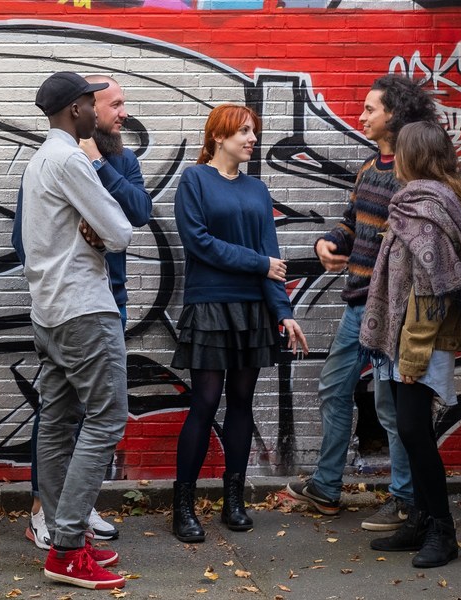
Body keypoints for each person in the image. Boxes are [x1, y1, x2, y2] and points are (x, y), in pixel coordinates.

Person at [286, 75, 438, 532]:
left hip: (392, 308)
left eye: (370, 109)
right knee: (334, 388)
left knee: (392, 407)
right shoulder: (371, 168)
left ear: (393, 114)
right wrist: (328, 242)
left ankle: (405, 500)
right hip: (358, 303)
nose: (361, 116)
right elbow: (353, 221)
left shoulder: (412, 174)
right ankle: (327, 488)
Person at [12, 74, 152, 550]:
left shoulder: (39, 160)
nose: (97, 112)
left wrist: (90, 224)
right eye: (92, 104)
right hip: (85, 311)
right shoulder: (72, 157)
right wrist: (98, 225)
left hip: (50, 313)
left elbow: (36, 241)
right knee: (108, 419)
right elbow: (121, 232)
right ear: (75, 109)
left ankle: (61, 534)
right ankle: (70, 539)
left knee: (56, 421)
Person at [170, 104, 307, 544]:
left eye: (253, 131)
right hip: (210, 306)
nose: (251, 138)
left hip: (252, 309)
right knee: (205, 402)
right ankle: (184, 505)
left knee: (242, 403)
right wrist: (259, 264)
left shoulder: (257, 189)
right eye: (243, 131)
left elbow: (274, 260)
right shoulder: (194, 180)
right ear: (218, 137)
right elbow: (200, 243)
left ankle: (234, 499)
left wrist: (283, 312)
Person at [361, 121, 461, 568]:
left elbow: (430, 291)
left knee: (416, 432)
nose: (393, 158)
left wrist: (412, 355)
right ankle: (418, 520)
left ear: (414, 156)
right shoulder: (428, 199)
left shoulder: (426, 207)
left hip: (420, 340)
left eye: (401, 151)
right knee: (411, 431)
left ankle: (442, 531)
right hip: (403, 338)